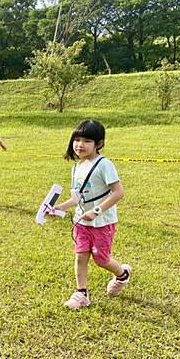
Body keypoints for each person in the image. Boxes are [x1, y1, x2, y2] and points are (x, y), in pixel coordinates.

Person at [48, 120, 131, 308]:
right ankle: (81, 293)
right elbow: (76, 198)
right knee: (80, 255)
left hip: (102, 222)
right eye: (76, 139)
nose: (80, 144)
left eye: (86, 140)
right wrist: (59, 207)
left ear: (99, 144)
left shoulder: (104, 165)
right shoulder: (76, 167)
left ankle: (122, 274)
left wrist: (96, 211)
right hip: (81, 222)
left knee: (101, 259)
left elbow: (119, 192)